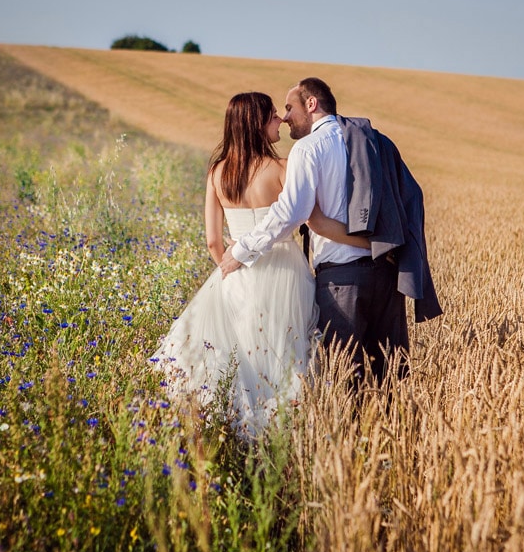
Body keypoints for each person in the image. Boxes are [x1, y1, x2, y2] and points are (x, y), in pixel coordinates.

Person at [151, 91, 367, 438]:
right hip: (286, 272)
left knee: (239, 359)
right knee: (285, 356)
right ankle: (281, 432)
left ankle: (237, 433)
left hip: (235, 273)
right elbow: (308, 218)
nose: (280, 120)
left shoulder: (217, 173)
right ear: (256, 123)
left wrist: (228, 269)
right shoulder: (282, 168)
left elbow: (212, 240)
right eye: (272, 116)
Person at [220, 77, 441, 386]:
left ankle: (352, 436)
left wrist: (241, 251)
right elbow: (410, 198)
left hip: (341, 281)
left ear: (311, 104)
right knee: (393, 381)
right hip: (387, 276)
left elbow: (292, 213)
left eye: (288, 108)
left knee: (344, 382)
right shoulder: (375, 141)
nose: (284, 118)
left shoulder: (308, 149)